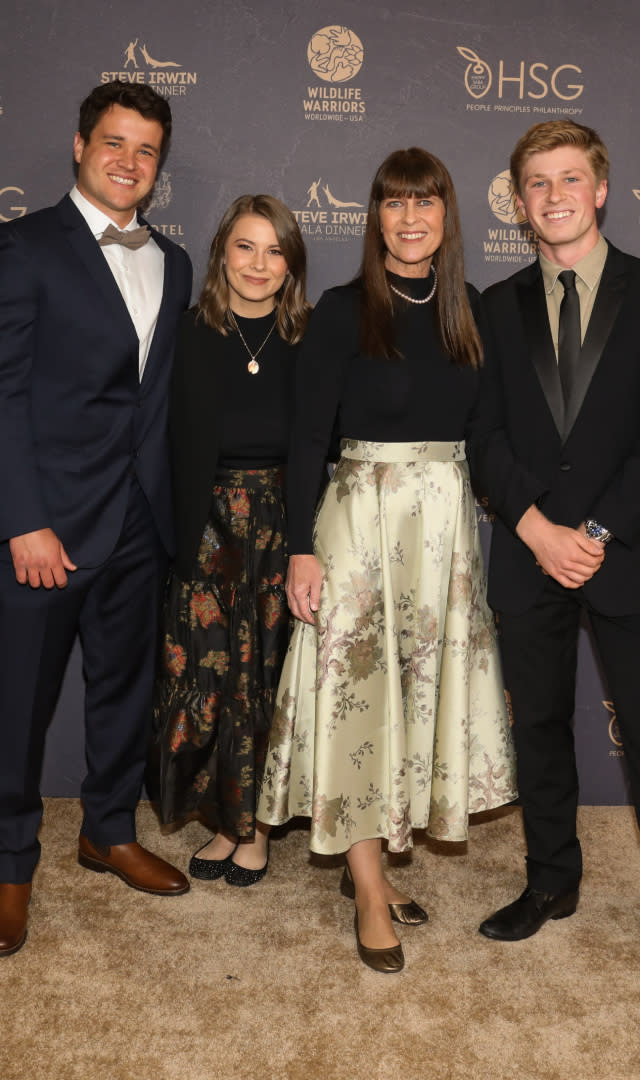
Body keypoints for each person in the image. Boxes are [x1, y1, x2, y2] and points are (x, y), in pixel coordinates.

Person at [257, 148, 517, 972]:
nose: (410, 219)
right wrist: (302, 547)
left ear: (448, 215)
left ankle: (379, 854)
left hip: (443, 530)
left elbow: (490, 439)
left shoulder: (471, 312)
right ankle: (369, 888)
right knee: (357, 701)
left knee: (414, 696)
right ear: (375, 217)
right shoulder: (340, 311)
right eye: (395, 203)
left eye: (426, 202)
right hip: (359, 524)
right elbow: (306, 439)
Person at [0, 81, 193, 957]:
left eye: (146, 149)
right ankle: (9, 867)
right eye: (114, 143)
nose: (128, 162)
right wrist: (23, 519)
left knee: (124, 695)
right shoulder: (24, 247)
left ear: (159, 165)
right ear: (80, 146)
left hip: (138, 523)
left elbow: (153, 403)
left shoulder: (177, 261)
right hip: (43, 531)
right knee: (17, 708)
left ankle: (108, 830)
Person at [471, 119, 640, 941]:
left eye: (570, 179)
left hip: (628, 549)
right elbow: (484, 436)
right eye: (537, 183)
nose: (554, 196)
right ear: (519, 202)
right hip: (529, 551)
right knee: (536, 725)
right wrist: (538, 528)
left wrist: (599, 529)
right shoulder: (495, 307)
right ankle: (551, 884)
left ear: (600, 190)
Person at [153, 195, 311, 887]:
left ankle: (260, 831)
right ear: (222, 252)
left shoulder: (311, 338)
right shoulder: (187, 332)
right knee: (207, 679)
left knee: (268, 678)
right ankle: (223, 820)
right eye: (246, 247)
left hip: (280, 526)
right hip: (203, 524)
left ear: (291, 265)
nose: (258, 263)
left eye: (275, 250)